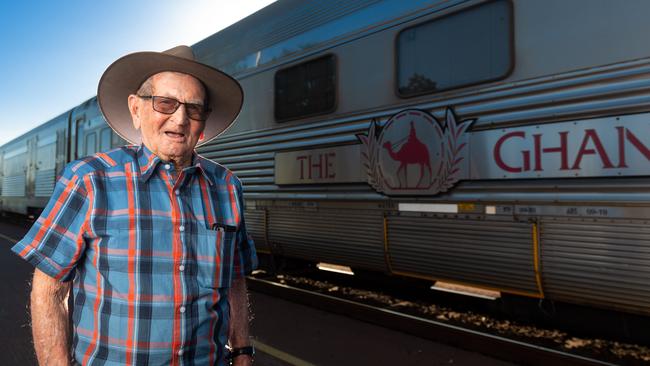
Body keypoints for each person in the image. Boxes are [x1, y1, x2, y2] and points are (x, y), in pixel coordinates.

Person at [11, 45, 258, 366]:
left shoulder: (227, 187)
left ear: (204, 121)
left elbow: (235, 278)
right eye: (165, 103)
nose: (180, 118)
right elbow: (49, 290)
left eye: (194, 109)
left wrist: (241, 350)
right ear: (136, 109)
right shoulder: (88, 179)